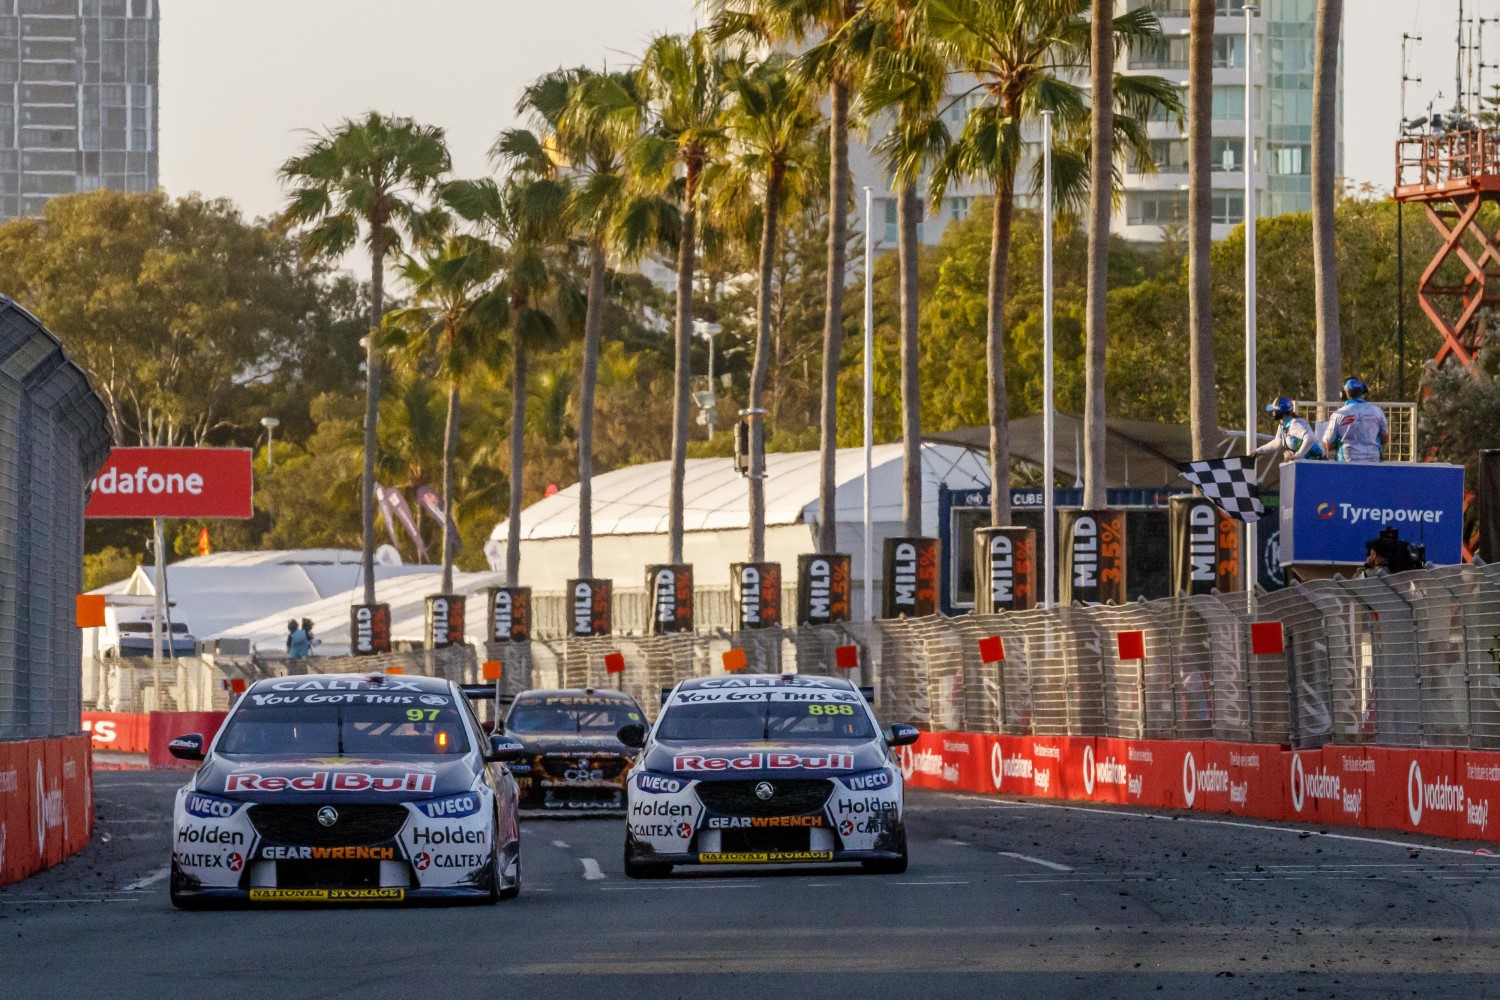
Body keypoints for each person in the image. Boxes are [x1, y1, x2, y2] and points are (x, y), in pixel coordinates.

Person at [1321, 377, 1388, 462]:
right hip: (1373, 462)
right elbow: (1385, 439)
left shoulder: (1338, 414)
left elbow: (1327, 444)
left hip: (1347, 463)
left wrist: (1338, 444)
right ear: (1364, 393)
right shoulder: (1377, 411)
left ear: (1344, 394)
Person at [1255, 397, 1324, 463]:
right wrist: (1258, 451)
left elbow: (1310, 438)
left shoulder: (1294, 423)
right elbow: (1276, 443)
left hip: (1316, 461)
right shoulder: (1282, 426)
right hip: (1306, 463)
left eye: (1274, 410)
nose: (1273, 412)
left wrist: (1298, 455)